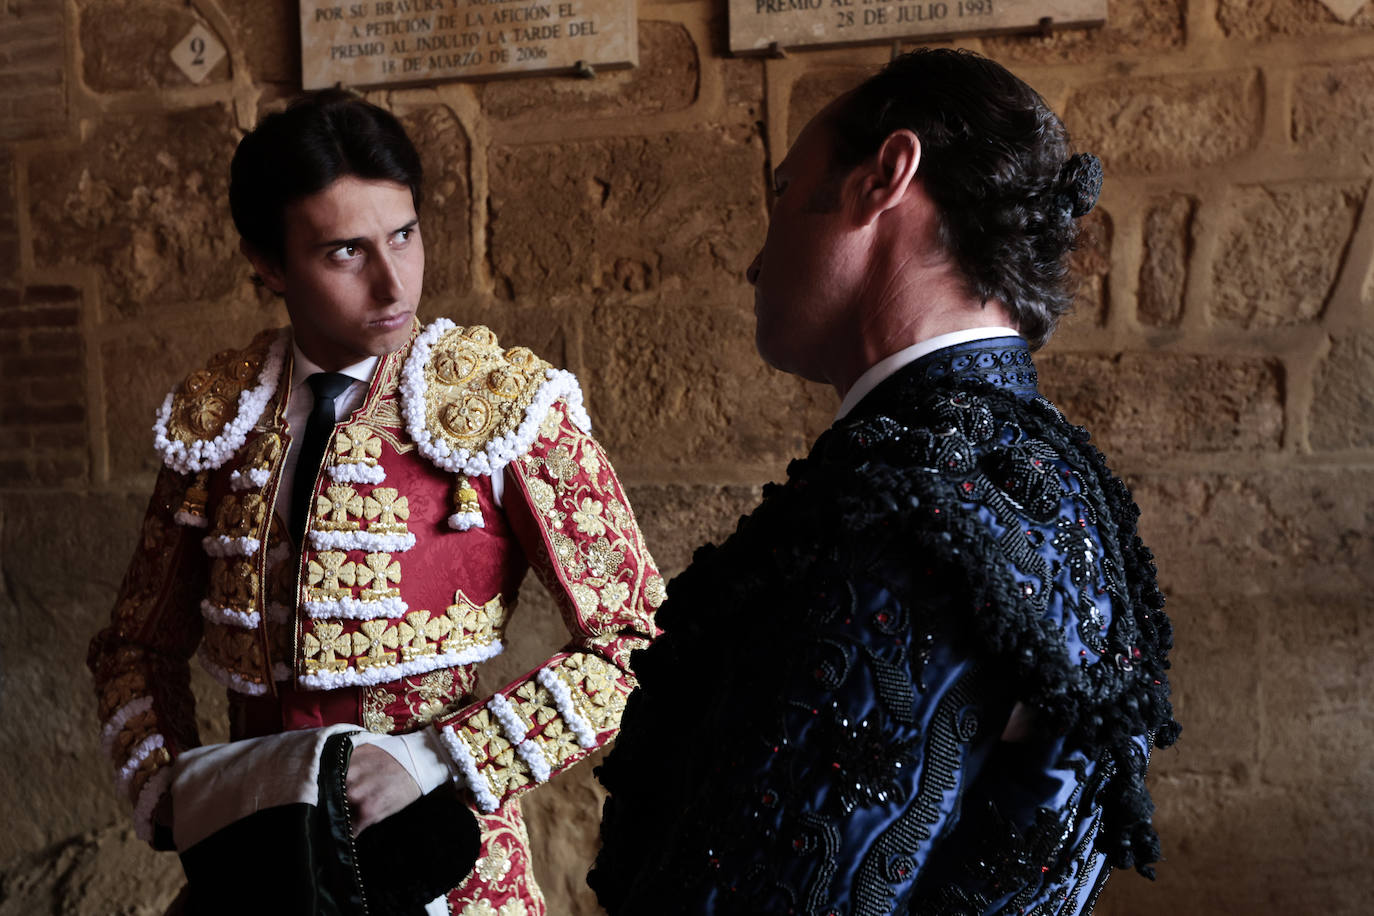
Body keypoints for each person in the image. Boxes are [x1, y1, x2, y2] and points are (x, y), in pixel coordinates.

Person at [591, 48, 1180, 914]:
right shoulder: (1027, 467)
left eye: (785, 191)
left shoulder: (915, 500)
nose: (757, 259)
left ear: (884, 177)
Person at [88, 90, 665, 915]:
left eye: (404, 235)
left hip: (450, 868)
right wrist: (173, 793)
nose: (394, 281)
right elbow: (132, 646)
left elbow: (636, 642)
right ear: (269, 264)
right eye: (344, 252)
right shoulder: (216, 419)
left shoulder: (504, 405)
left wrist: (430, 759)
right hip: (259, 876)